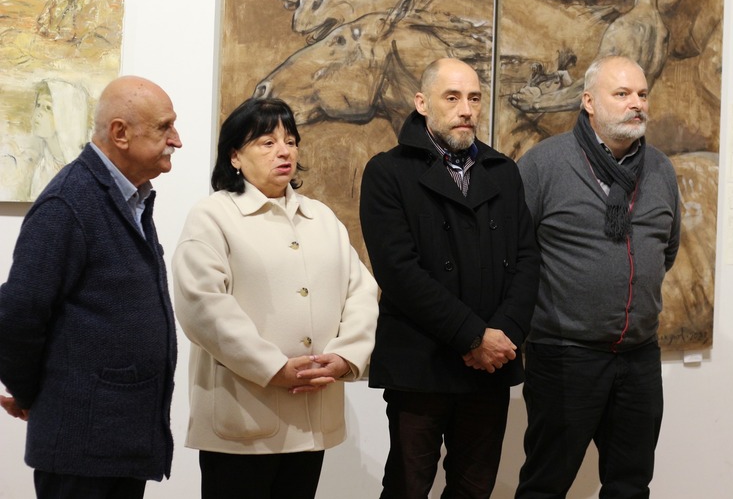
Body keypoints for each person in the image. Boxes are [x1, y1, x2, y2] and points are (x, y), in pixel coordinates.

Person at [171, 97, 378, 499]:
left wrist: (345, 357)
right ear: (235, 156)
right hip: (242, 419)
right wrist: (273, 368)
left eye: (290, 141)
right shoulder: (213, 216)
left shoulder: (322, 218)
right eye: (267, 142)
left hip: (313, 417)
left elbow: (361, 292)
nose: (284, 151)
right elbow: (202, 306)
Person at [359, 57, 540, 498]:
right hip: (421, 364)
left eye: (474, 99)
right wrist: (473, 337)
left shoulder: (503, 171)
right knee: (407, 488)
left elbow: (527, 259)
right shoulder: (388, 172)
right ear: (422, 103)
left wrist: (502, 335)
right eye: (452, 98)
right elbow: (400, 274)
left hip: (489, 367)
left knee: (475, 490)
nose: (466, 110)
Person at [0, 75, 182, 499]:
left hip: (115, 446)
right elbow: (17, 314)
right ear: (120, 133)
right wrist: (29, 393)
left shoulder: (130, 199)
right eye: (164, 127)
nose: (177, 140)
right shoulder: (69, 202)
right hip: (81, 450)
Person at [515, 55, 682, 498]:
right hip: (564, 355)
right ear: (588, 102)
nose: (636, 103)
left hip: (639, 358)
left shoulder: (661, 170)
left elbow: (666, 251)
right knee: (545, 485)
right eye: (622, 94)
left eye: (642, 94)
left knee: (631, 485)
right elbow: (514, 255)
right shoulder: (544, 165)